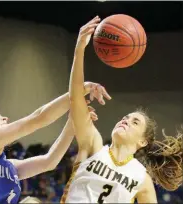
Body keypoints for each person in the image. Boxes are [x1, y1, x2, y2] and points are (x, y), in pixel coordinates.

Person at [61, 16, 183, 203]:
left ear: (143, 141)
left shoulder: (142, 179)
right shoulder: (93, 145)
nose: (125, 120)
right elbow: (75, 98)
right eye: (126, 117)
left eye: (135, 122)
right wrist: (79, 50)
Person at [0, 83, 103, 204]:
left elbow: (49, 161)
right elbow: (38, 118)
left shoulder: (10, 166)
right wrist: (78, 92)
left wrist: (72, 123)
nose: (5, 118)